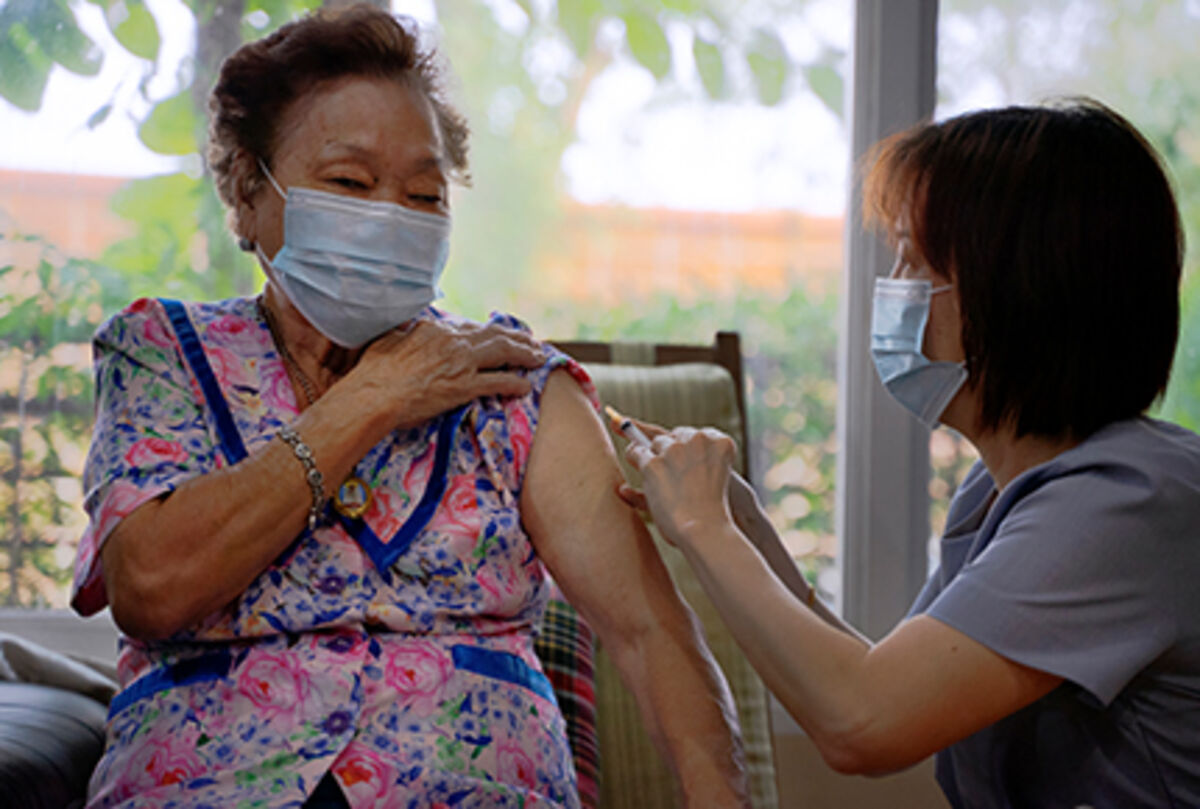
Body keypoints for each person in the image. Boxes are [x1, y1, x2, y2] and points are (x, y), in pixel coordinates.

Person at [70, 6, 748, 808]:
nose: (390, 215)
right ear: (249, 193)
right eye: (350, 183)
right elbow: (151, 586)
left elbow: (650, 633)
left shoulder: (512, 384)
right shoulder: (163, 353)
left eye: (424, 194)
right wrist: (374, 398)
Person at [619, 99, 1200, 808]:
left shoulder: (1129, 504)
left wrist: (704, 529)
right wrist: (743, 525)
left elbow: (863, 721)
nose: (892, 288)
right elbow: (879, 676)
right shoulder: (998, 496)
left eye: (913, 260)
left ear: (1020, 291)